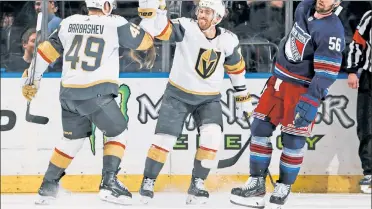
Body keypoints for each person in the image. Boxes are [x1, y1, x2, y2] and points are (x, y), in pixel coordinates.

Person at [21, 0, 156, 205]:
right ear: (106, 6)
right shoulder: (115, 23)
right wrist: (150, 17)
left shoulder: (68, 22)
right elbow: (145, 43)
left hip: (68, 95)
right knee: (118, 131)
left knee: (72, 140)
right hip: (96, 93)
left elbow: (45, 52)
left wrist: (33, 79)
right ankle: (109, 183)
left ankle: (47, 187)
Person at [229, 0, 345, 208]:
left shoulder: (332, 30)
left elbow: (327, 73)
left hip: (301, 89)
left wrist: (311, 99)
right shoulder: (304, 6)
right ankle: (256, 182)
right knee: (259, 127)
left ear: (337, 2)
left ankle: (284, 186)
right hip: (278, 80)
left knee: (293, 139)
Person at [136, 0, 253, 205]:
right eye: (201, 11)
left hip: (209, 99)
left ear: (217, 17)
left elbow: (236, 70)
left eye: (207, 12)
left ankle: (197, 184)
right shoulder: (185, 26)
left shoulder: (228, 40)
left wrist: (243, 98)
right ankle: (148, 182)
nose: (202, 15)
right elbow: (163, 32)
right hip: (177, 95)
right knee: (164, 141)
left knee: (212, 136)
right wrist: (160, 11)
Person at [346, 10, 371, 194]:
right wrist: (353, 70)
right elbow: (357, 44)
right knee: (366, 126)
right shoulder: (370, 16)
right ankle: (370, 172)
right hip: (369, 78)